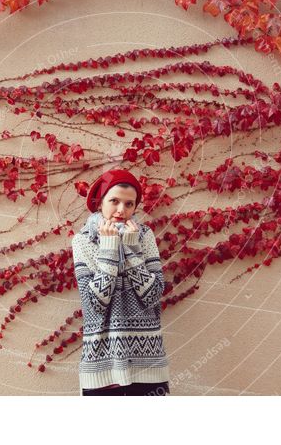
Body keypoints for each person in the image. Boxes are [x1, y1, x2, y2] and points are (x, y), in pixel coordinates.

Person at [71, 168, 170, 396]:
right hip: (102, 361)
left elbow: (153, 295)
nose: (121, 210)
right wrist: (109, 248)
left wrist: (132, 249)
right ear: (100, 203)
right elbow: (95, 304)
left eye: (129, 204)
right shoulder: (83, 241)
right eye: (114, 201)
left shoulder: (144, 236)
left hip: (148, 361)